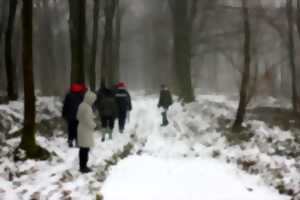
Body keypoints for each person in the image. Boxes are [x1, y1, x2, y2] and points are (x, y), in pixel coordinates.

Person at [76, 90, 97, 173]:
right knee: (85, 149)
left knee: (83, 149)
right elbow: (87, 120)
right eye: (93, 100)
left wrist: (91, 116)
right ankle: (83, 167)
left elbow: (78, 116)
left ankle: (82, 166)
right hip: (86, 130)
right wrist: (94, 125)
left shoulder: (81, 105)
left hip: (81, 128)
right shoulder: (87, 107)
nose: (93, 101)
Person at [62, 83, 86, 147]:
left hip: (70, 116)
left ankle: (70, 140)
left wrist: (64, 114)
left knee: (71, 128)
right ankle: (78, 142)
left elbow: (65, 106)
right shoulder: (82, 96)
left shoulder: (68, 95)